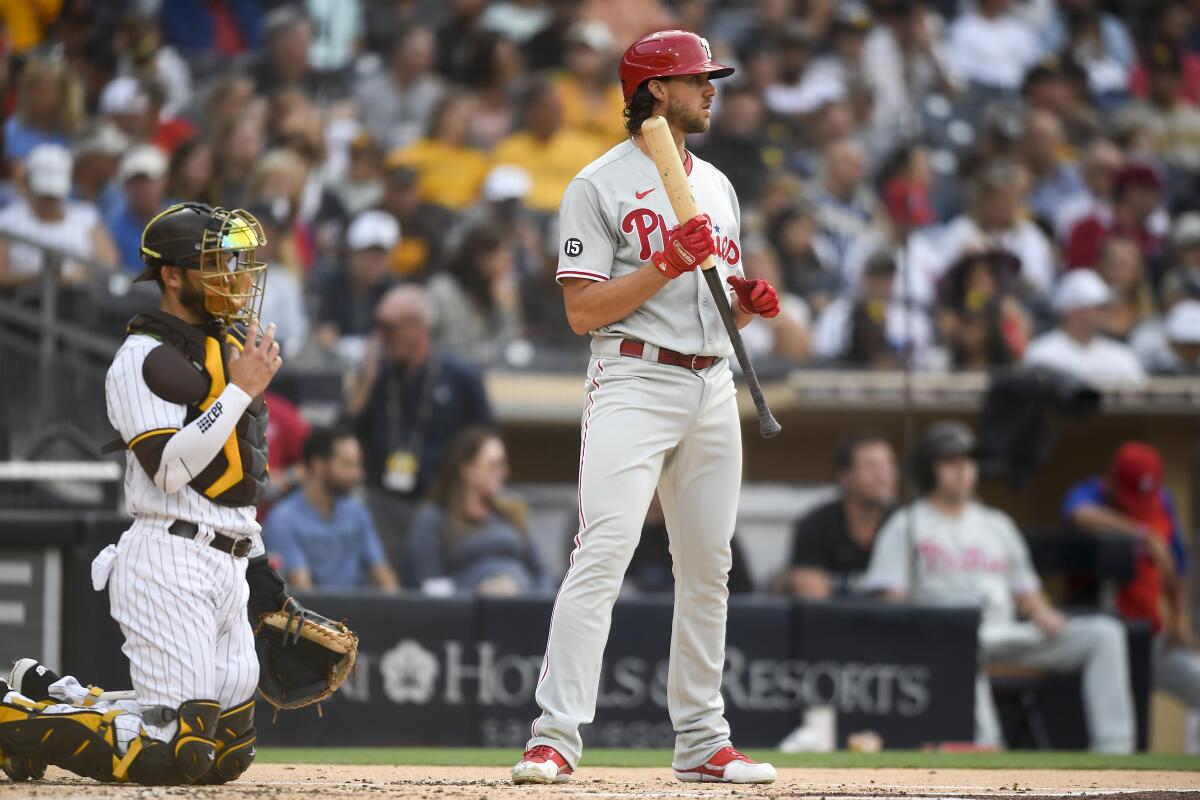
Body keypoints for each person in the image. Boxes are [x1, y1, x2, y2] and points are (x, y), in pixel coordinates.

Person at [513, 30, 780, 786]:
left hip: (711, 382)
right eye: (697, 78)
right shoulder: (597, 183)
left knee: (709, 566)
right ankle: (555, 735)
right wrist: (666, 260)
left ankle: (701, 738)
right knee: (602, 553)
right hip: (633, 380)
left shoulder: (719, 185)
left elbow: (711, 294)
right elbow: (582, 311)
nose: (711, 88)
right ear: (655, 89)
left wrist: (747, 304)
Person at [0, 202, 289, 784]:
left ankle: (46, 694)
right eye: (212, 264)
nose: (230, 276)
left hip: (227, 561)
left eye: (232, 261)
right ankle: (9, 720)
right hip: (169, 557)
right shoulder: (139, 358)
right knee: (170, 750)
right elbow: (168, 469)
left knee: (226, 752)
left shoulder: (225, 348)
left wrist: (259, 568)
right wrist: (238, 393)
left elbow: (236, 480)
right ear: (172, 276)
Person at [861, 421, 1136, 754]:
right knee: (962, 642)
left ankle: (1116, 750)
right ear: (929, 468)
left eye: (968, 462)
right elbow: (891, 600)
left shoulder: (997, 524)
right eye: (951, 462)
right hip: (947, 638)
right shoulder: (907, 523)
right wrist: (922, 633)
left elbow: (1028, 592)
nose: (963, 471)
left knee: (1104, 633)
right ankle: (985, 747)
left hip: (1004, 632)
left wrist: (1043, 612)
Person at [1063, 443, 1200, 721]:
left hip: (1151, 634)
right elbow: (1078, 513)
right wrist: (1142, 533)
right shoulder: (1092, 492)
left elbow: (1178, 567)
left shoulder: (1163, 501)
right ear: (1112, 480)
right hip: (1099, 632)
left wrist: (1179, 618)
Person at [347, 285, 494, 497]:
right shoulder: (378, 375)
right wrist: (367, 380)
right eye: (378, 328)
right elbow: (347, 430)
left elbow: (485, 438)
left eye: (388, 328)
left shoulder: (461, 377)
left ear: (417, 326)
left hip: (441, 499)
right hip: (382, 496)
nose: (381, 338)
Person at [406, 426, 548, 596]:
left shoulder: (512, 513)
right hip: (469, 614)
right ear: (466, 469)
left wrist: (535, 602)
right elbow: (430, 586)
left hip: (525, 609)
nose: (504, 472)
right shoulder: (434, 519)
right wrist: (478, 592)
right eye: (494, 465)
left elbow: (543, 573)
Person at [264, 427, 400, 592]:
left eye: (358, 464)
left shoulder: (357, 512)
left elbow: (383, 573)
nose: (358, 474)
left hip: (358, 612)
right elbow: (303, 590)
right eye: (347, 465)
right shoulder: (283, 519)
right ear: (318, 464)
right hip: (312, 615)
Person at [788, 433, 897, 598]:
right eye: (870, 466)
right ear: (845, 477)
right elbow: (808, 589)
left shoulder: (904, 523)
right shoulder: (817, 524)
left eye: (888, 465)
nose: (882, 475)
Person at [0, 144, 118, 289]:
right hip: (20, 303)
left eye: (53, 196)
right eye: (43, 195)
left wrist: (73, 278)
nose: (49, 202)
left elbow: (109, 262)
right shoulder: (8, 220)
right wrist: (39, 279)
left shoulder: (86, 216)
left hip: (78, 300)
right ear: (29, 184)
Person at [1024, 270, 1145, 385]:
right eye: (1098, 307)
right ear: (1073, 311)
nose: (1105, 312)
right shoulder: (1041, 353)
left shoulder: (1121, 356)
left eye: (1105, 307)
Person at [104, 145, 171, 274]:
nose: (141, 189)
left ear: (163, 183)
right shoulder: (113, 224)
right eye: (135, 182)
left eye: (148, 181)